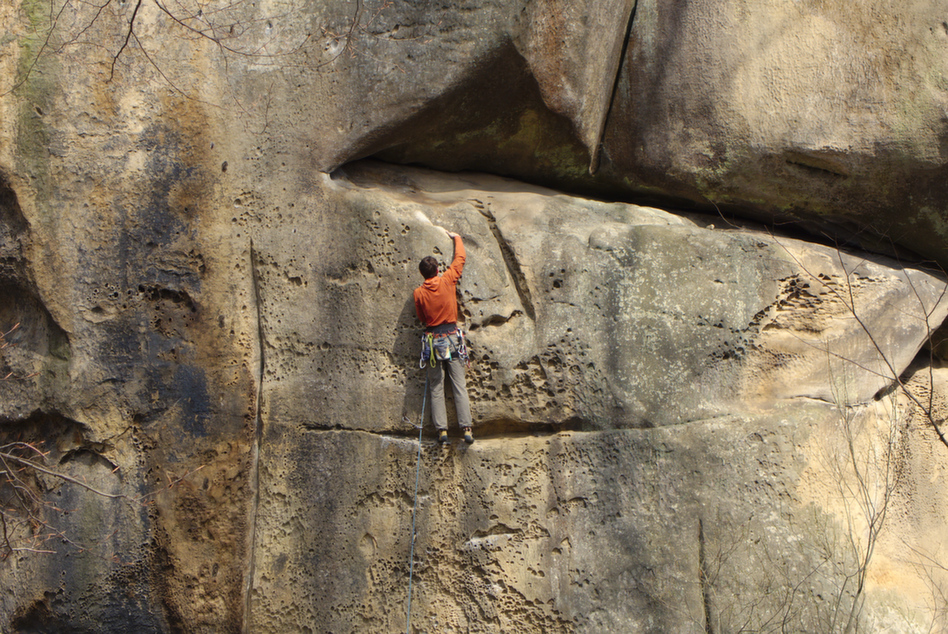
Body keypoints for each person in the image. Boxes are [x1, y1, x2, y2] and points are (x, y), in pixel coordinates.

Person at [414, 228, 474, 445]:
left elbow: (421, 317)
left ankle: (442, 431)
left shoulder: (419, 293)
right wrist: (456, 237)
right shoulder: (448, 280)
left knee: (437, 387)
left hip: (432, 342)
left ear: (423, 274)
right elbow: (460, 258)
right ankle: (466, 428)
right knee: (459, 384)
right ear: (438, 269)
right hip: (452, 338)